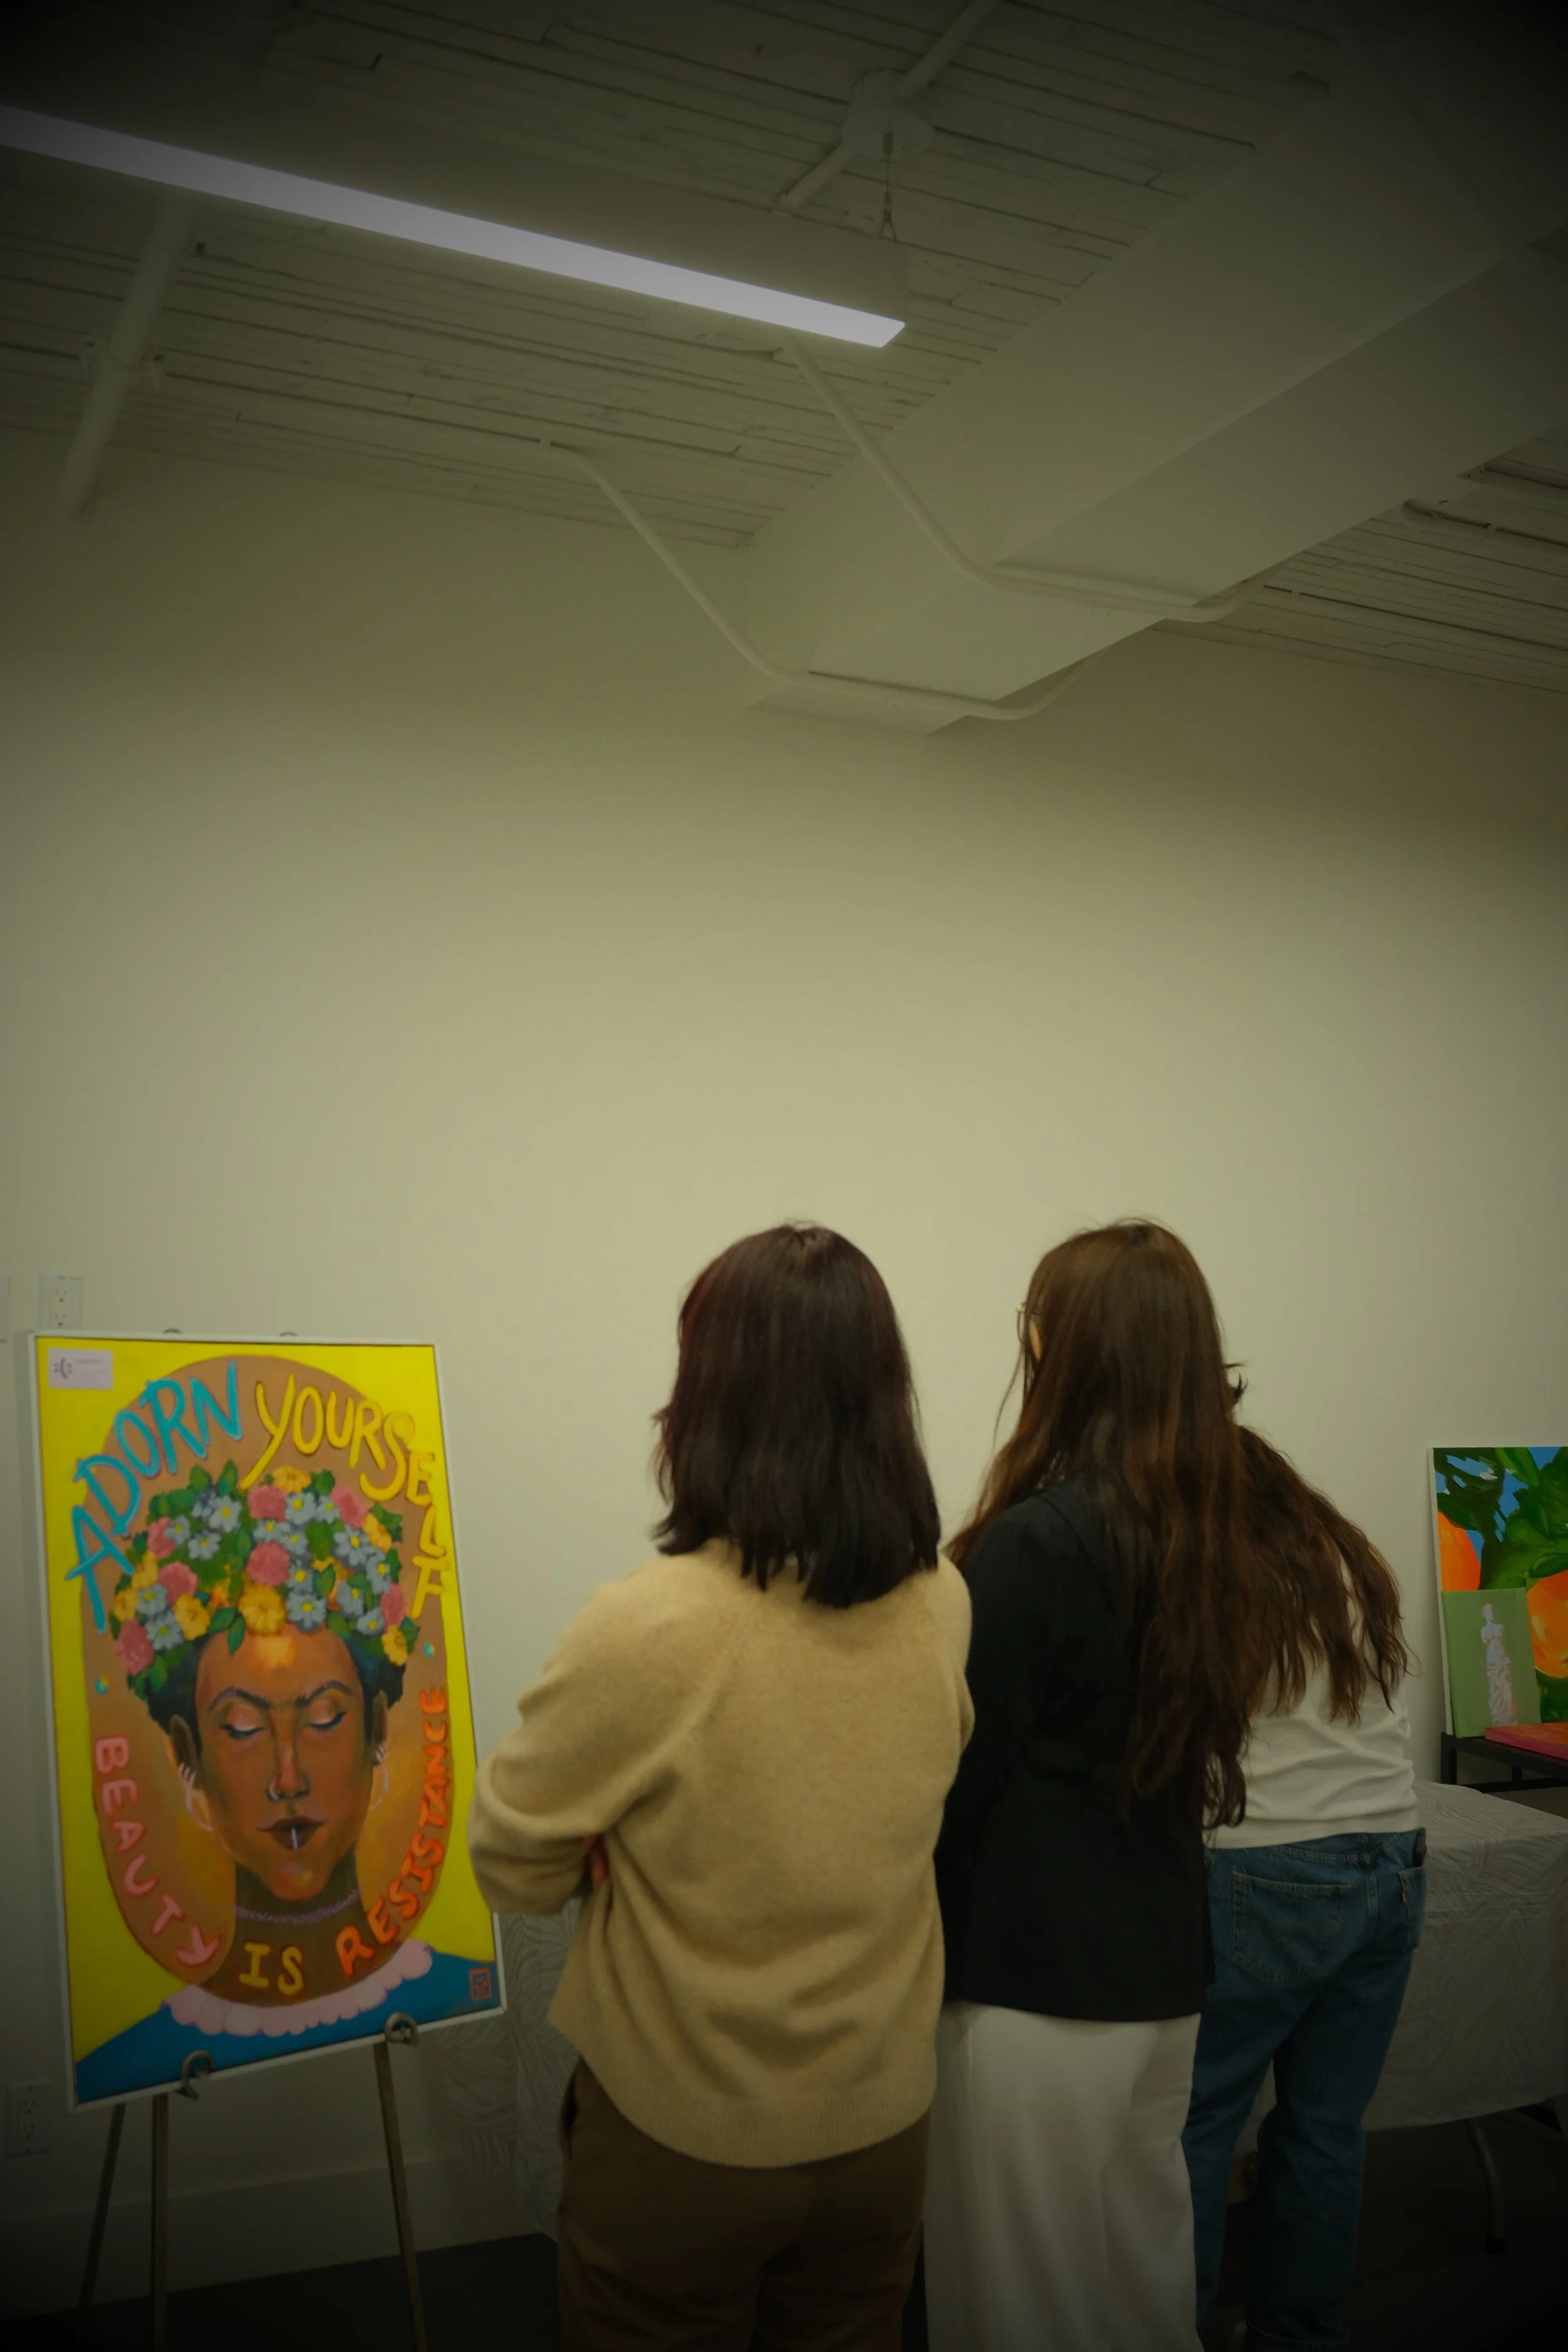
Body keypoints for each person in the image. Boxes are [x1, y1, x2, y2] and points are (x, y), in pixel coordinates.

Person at [468, 1223, 972, 2352]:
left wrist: (619, 1851)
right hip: (883, 2130)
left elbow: (509, 1864)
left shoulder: (649, 1625)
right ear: (886, 1398)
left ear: (708, 1396)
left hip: (682, 2146)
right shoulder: (942, 1599)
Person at [926, 1220, 1252, 2352]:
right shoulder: (1210, 1534)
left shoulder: (1035, 1544)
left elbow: (955, 1780)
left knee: (1022, 2308)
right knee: (1144, 2289)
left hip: (1034, 1991)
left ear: (1061, 1348)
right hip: (1161, 1981)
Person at [80, 1437, 492, 2101]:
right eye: (241, 1728)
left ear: (378, 1726)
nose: (288, 1777)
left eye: (325, 1718)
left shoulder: (454, 1989)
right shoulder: (127, 2057)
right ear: (186, 1753)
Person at [1182, 1399, 1421, 2349]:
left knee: (1197, 2125)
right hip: (1394, 1859)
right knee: (1325, 2128)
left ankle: (1172, 2327)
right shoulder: (1346, 1562)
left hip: (1267, 1868)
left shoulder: (1214, 1572)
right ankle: (1299, 2333)